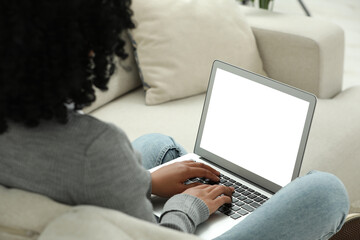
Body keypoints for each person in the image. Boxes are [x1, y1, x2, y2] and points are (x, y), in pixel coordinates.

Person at [0, 1, 349, 239]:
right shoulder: (95, 149)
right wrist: (186, 209)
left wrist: (146, 182)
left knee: (158, 145)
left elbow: (62, 178)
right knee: (325, 191)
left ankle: (198, 188)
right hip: (166, 228)